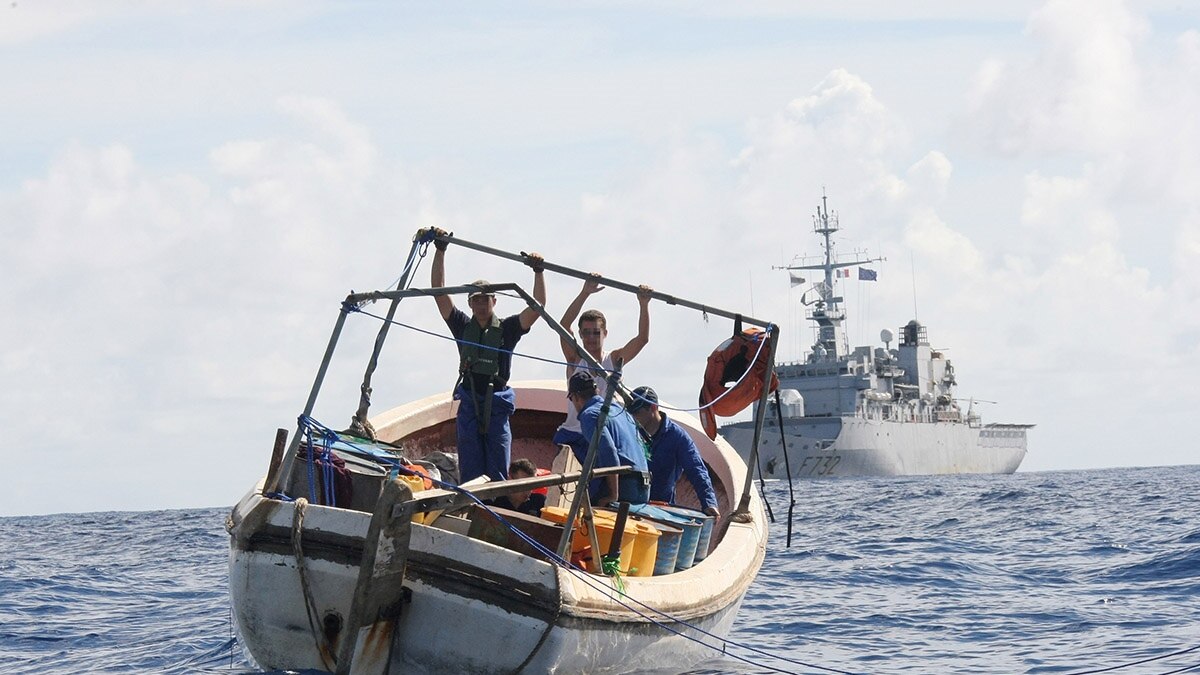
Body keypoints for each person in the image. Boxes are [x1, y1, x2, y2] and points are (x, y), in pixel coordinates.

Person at [430, 228, 546, 483]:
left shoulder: (508, 328)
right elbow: (438, 292)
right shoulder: (461, 325)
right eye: (476, 300)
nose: (481, 305)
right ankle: (472, 507)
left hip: (497, 403)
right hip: (470, 400)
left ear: (495, 301)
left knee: (497, 466)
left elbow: (537, 306)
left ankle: (496, 509)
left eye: (486, 300)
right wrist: (440, 249)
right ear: (470, 304)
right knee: (471, 468)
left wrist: (538, 271)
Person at [552, 275, 652, 455]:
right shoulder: (574, 359)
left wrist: (643, 304)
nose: (591, 338)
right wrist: (585, 292)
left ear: (605, 333)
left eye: (596, 333)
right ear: (580, 335)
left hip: (603, 433)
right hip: (574, 434)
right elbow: (563, 325)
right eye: (586, 333)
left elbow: (642, 339)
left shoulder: (613, 359)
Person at [627, 386, 720, 518]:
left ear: (653, 407)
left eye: (638, 413)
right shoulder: (630, 432)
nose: (634, 418)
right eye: (631, 414)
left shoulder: (677, 437)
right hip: (630, 507)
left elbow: (697, 470)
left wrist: (709, 503)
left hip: (661, 511)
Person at [567, 371, 650, 506]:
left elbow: (608, 452)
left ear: (575, 397)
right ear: (596, 390)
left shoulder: (589, 415)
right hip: (644, 486)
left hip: (625, 486)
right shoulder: (618, 409)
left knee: (581, 508)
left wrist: (613, 495)